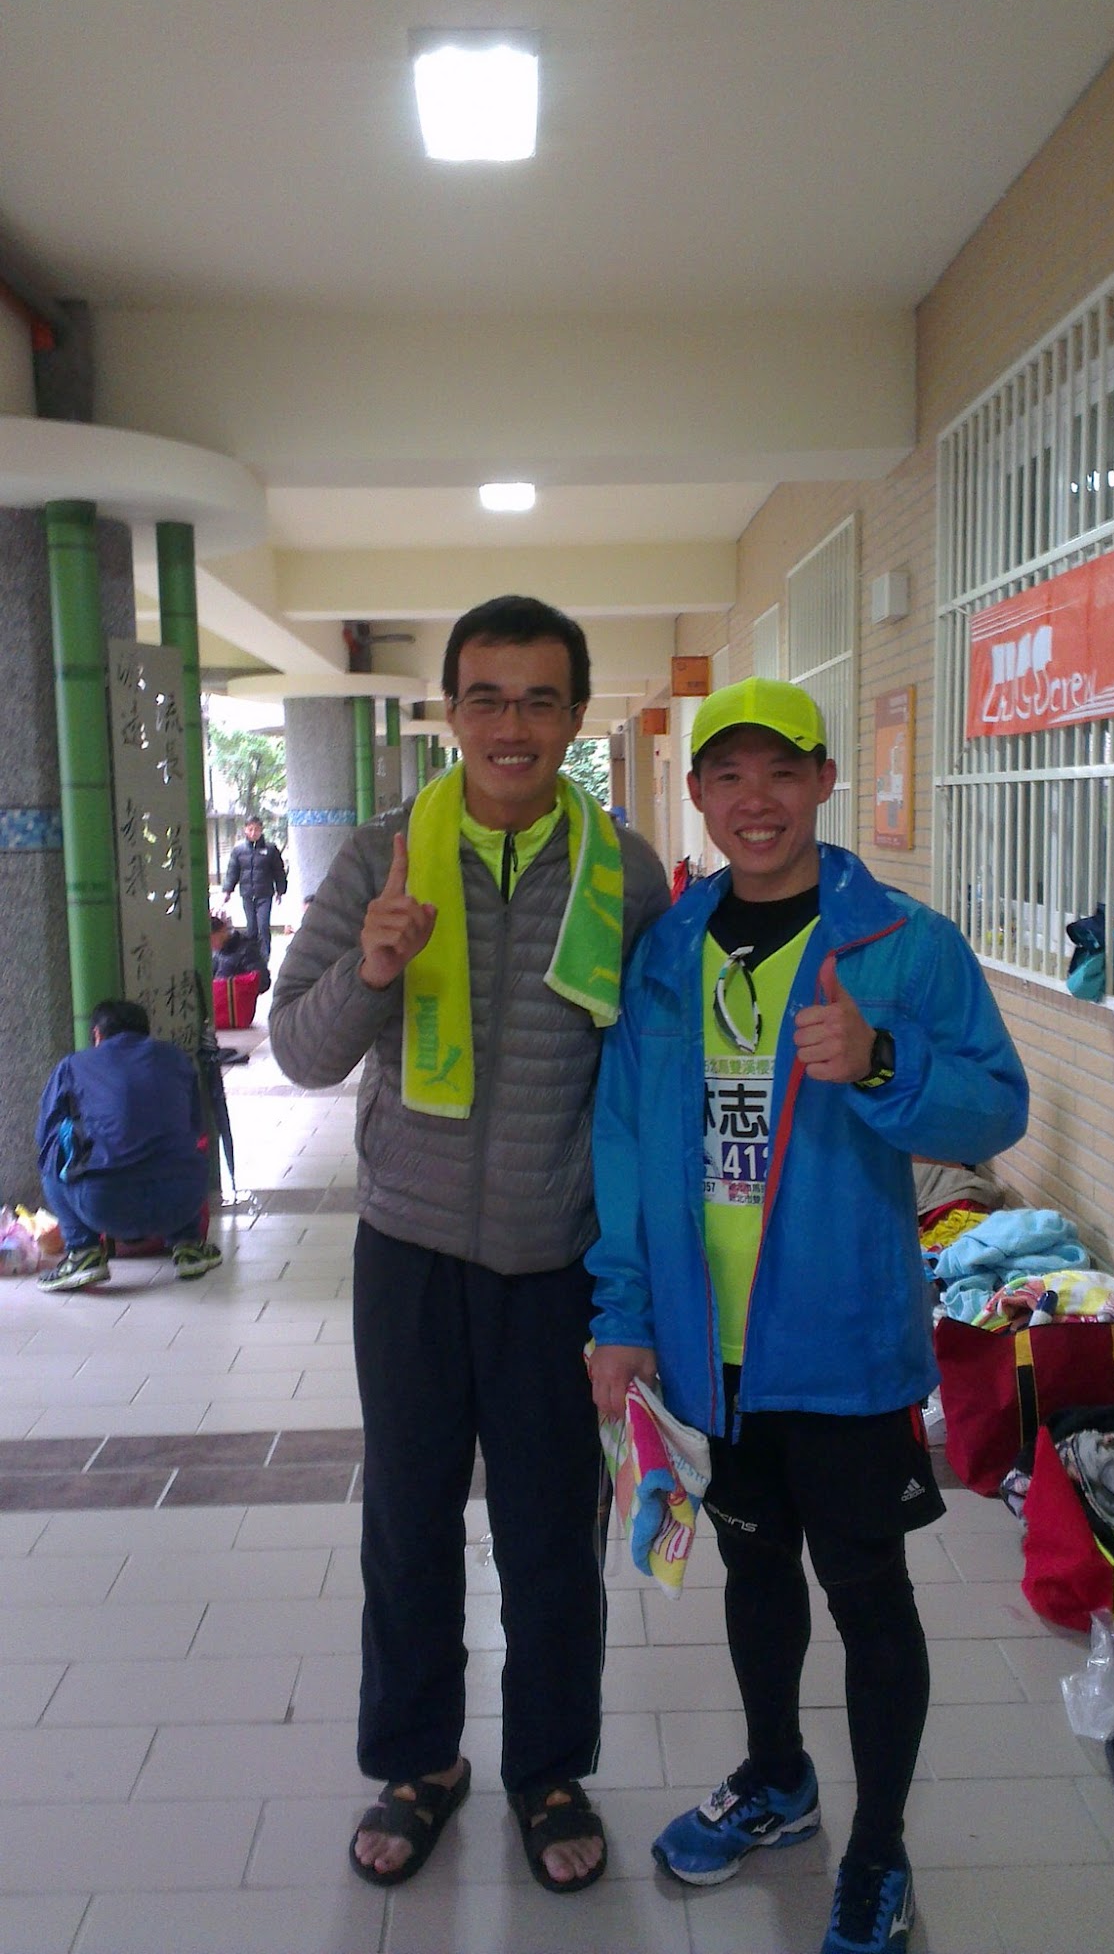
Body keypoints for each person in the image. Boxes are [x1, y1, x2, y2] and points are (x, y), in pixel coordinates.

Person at [587, 677, 1028, 1954]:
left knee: (869, 1591)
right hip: (705, 1348)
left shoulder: (902, 942)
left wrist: (885, 1060)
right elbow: (624, 1144)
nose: (756, 799)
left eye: (782, 771)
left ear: (825, 781)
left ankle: (878, 1847)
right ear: (697, 794)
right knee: (754, 1568)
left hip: (840, 1342)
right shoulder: (664, 951)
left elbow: (996, 1105)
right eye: (729, 775)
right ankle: (779, 1775)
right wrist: (624, 1311)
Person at [270, 594, 668, 1895]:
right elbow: (298, 1051)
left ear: (575, 717)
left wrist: (639, 1296)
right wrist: (372, 969)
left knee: (554, 1531)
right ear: (450, 711)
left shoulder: (625, 872)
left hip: (559, 1259)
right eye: (487, 697)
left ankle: (548, 1768)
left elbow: (651, 1085)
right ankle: (418, 1761)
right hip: (411, 1250)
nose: (512, 724)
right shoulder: (379, 857)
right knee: (409, 1518)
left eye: (540, 699)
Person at [36, 999, 222, 1291]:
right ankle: (189, 1245)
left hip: (104, 1206)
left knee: (53, 1149)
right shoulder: (176, 1059)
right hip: (183, 1202)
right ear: (146, 1032)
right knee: (185, 1147)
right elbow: (195, 1126)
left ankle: (83, 1253)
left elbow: (44, 1134)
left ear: (97, 1034)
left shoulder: (73, 1066)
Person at [222, 814, 287, 962]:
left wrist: (280, 890)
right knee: (251, 928)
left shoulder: (270, 849)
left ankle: (264, 959)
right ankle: (252, 959)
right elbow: (232, 872)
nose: (253, 833)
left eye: (257, 829)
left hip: (265, 894)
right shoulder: (238, 851)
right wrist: (227, 891)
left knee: (263, 927)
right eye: (250, 829)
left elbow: (279, 871)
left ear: (261, 830)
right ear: (245, 829)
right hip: (247, 895)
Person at [210, 913, 269, 993]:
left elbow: (263, 982)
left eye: (212, 940)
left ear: (223, 930)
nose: (211, 945)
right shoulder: (216, 954)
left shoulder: (246, 950)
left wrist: (234, 985)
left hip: (236, 997)